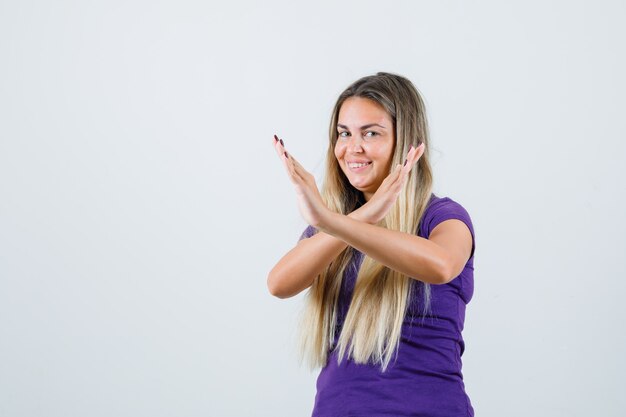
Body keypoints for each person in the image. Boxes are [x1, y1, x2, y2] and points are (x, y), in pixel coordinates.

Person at [267, 72, 476, 417]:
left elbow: (441, 266)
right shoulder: (332, 231)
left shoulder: (443, 217)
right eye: (344, 133)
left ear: (408, 143)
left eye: (371, 133)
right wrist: (357, 218)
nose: (354, 148)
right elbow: (278, 283)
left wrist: (331, 221)